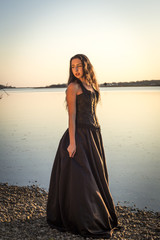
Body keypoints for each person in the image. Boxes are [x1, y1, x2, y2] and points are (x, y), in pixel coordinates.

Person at [47, 54, 119, 238]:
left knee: (97, 175)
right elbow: (71, 116)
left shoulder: (92, 86)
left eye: (79, 65)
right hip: (78, 136)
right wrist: (72, 143)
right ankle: (84, 218)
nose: (76, 69)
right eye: (72, 67)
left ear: (86, 66)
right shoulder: (73, 87)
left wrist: (95, 136)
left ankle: (98, 212)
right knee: (84, 179)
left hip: (93, 135)